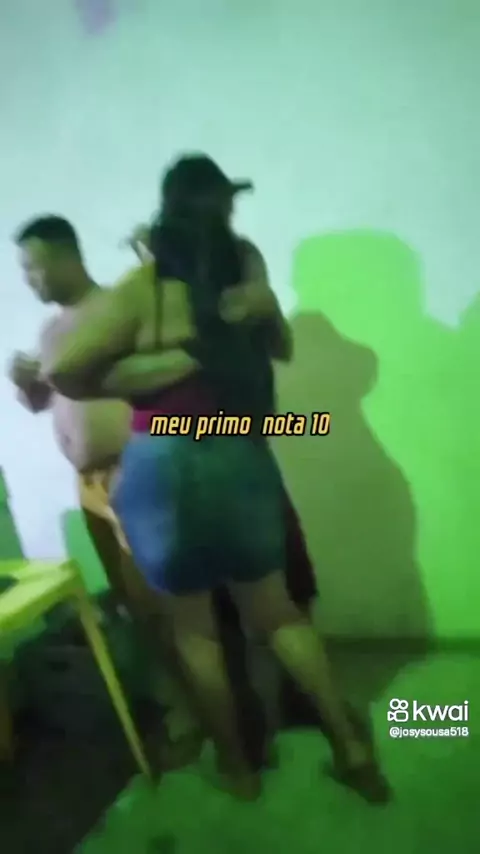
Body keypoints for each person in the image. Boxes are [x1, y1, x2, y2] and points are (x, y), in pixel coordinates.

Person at [46, 154, 390, 802]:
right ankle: (350, 747)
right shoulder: (246, 268)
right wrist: (210, 345)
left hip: (164, 458)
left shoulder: (145, 287)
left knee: (195, 629)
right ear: (223, 210)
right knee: (278, 614)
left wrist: (136, 372)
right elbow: (281, 347)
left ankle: (238, 768)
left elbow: (63, 371)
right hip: (239, 450)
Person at [8, 215, 203, 757]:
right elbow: (43, 401)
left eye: (35, 267)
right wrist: (24, 385)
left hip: (133, 470)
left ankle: (218, 708)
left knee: (173, 600)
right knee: (136, 605)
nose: (29, 280)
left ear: (68, 257)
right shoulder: (51, 331)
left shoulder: (118, 307)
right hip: (88, 486)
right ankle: (183, 703)